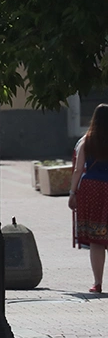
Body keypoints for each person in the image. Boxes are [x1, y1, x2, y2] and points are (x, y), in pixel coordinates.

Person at [71, 104, 108, 292]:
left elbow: (78, 169)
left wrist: (72, 193)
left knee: (96, 239)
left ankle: (98, 282)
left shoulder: (87, 140)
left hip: (91, 188)